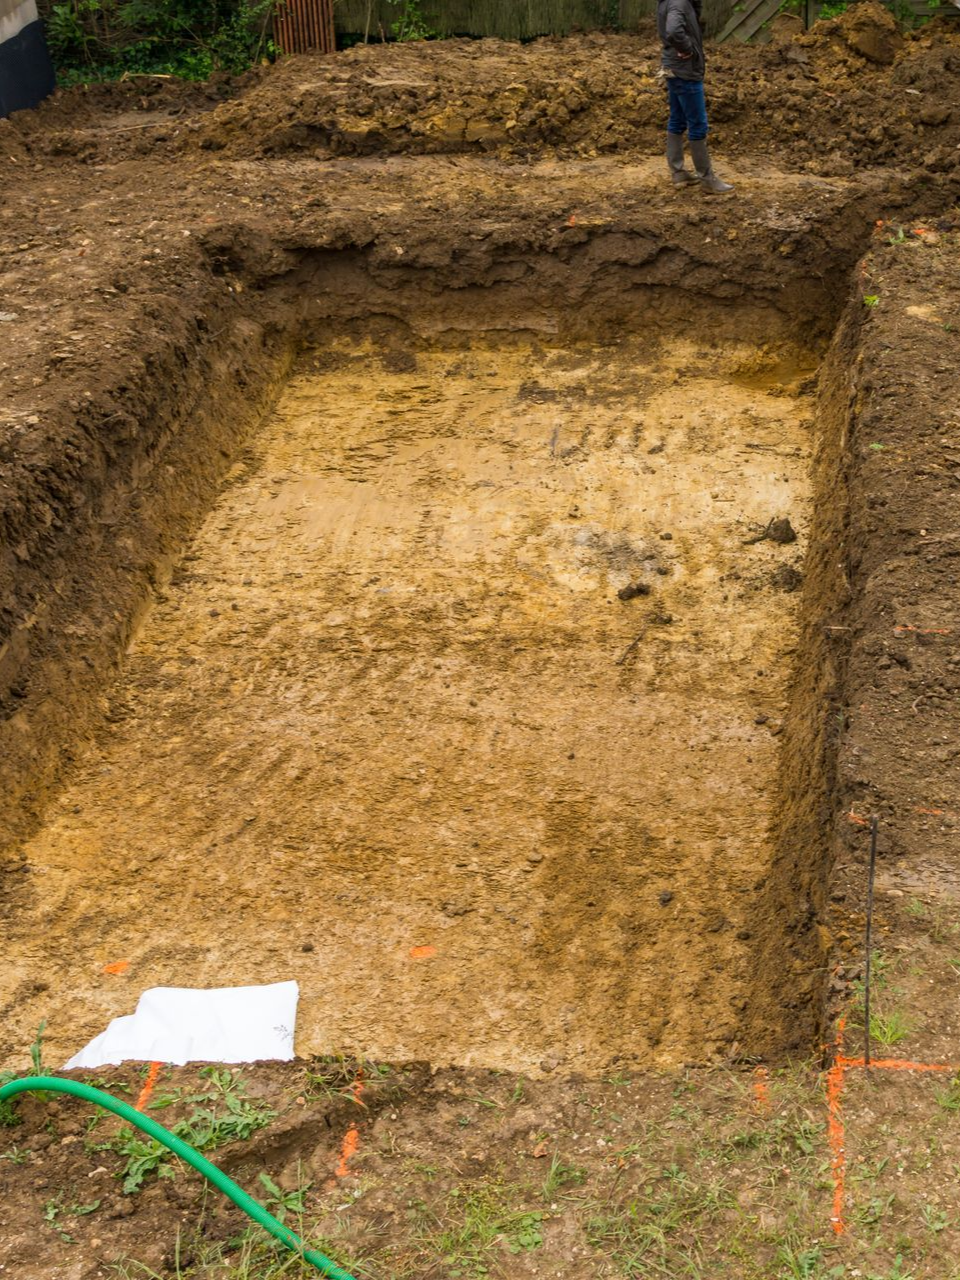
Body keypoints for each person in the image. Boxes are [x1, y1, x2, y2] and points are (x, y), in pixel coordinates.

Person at [658, 0, 734, 194]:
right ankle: (707, 179)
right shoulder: (679, 3)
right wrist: (687, 49)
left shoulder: (672, 2)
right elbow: (674, 31)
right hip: (686, 71)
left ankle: (678, 173)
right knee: (698, 124)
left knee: (677, 119)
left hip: (673, 68)